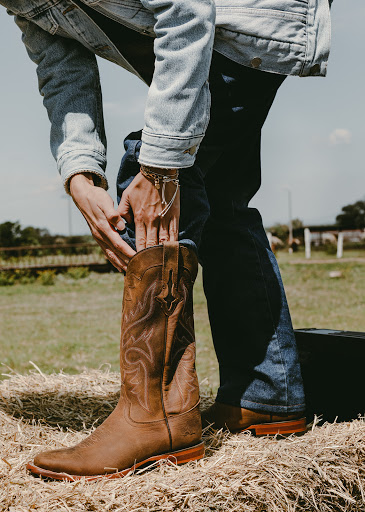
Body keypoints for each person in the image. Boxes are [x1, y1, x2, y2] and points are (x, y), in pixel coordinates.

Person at [2, 0, 331, 480]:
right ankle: (267, 396)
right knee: (222, 204)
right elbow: (61, 69)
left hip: (247, 21)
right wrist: (79, 172)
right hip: (233, 34)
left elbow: (188, 10)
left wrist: (158, 164)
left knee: (150, 169)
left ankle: (154, 417)